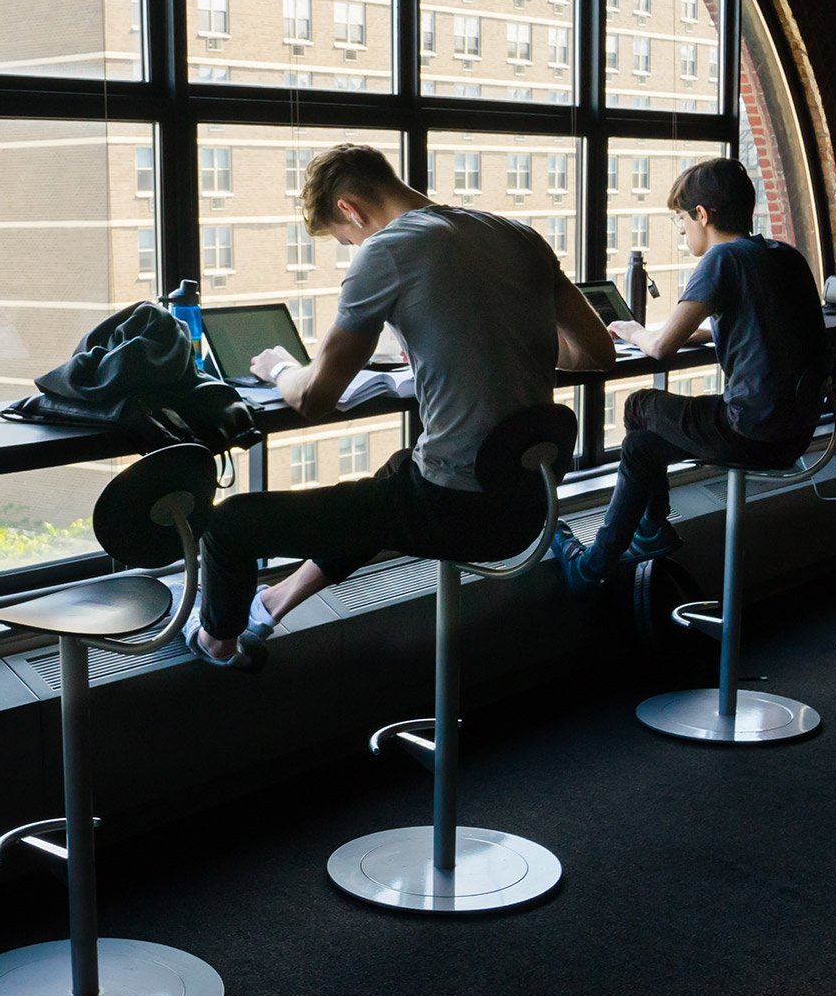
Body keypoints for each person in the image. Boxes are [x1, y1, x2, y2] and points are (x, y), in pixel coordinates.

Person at [185, 143, 615, 668]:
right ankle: (274, 602)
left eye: (348, 240)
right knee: (389, 482)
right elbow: (595, 352)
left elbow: (315, 396)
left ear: (350, 209)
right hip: (529, 497)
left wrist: (278, 367)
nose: (354, 248)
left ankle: (218, 644)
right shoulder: (516, 234)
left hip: (457, 505)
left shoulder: (387, 251)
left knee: (230, 524)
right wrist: (489, 350)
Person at [552, 156, 827, 594]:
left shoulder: (722, 259)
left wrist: (631, 330)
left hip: (751, 429)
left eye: (680, 218)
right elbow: (756, 328)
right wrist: (685, 333)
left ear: (703, 215)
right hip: (796, 432)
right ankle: (615, 553)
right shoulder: (784, 256)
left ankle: (636, 540)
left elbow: (660, 350)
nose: (680, 230)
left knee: (638, 404)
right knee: (641, 447)